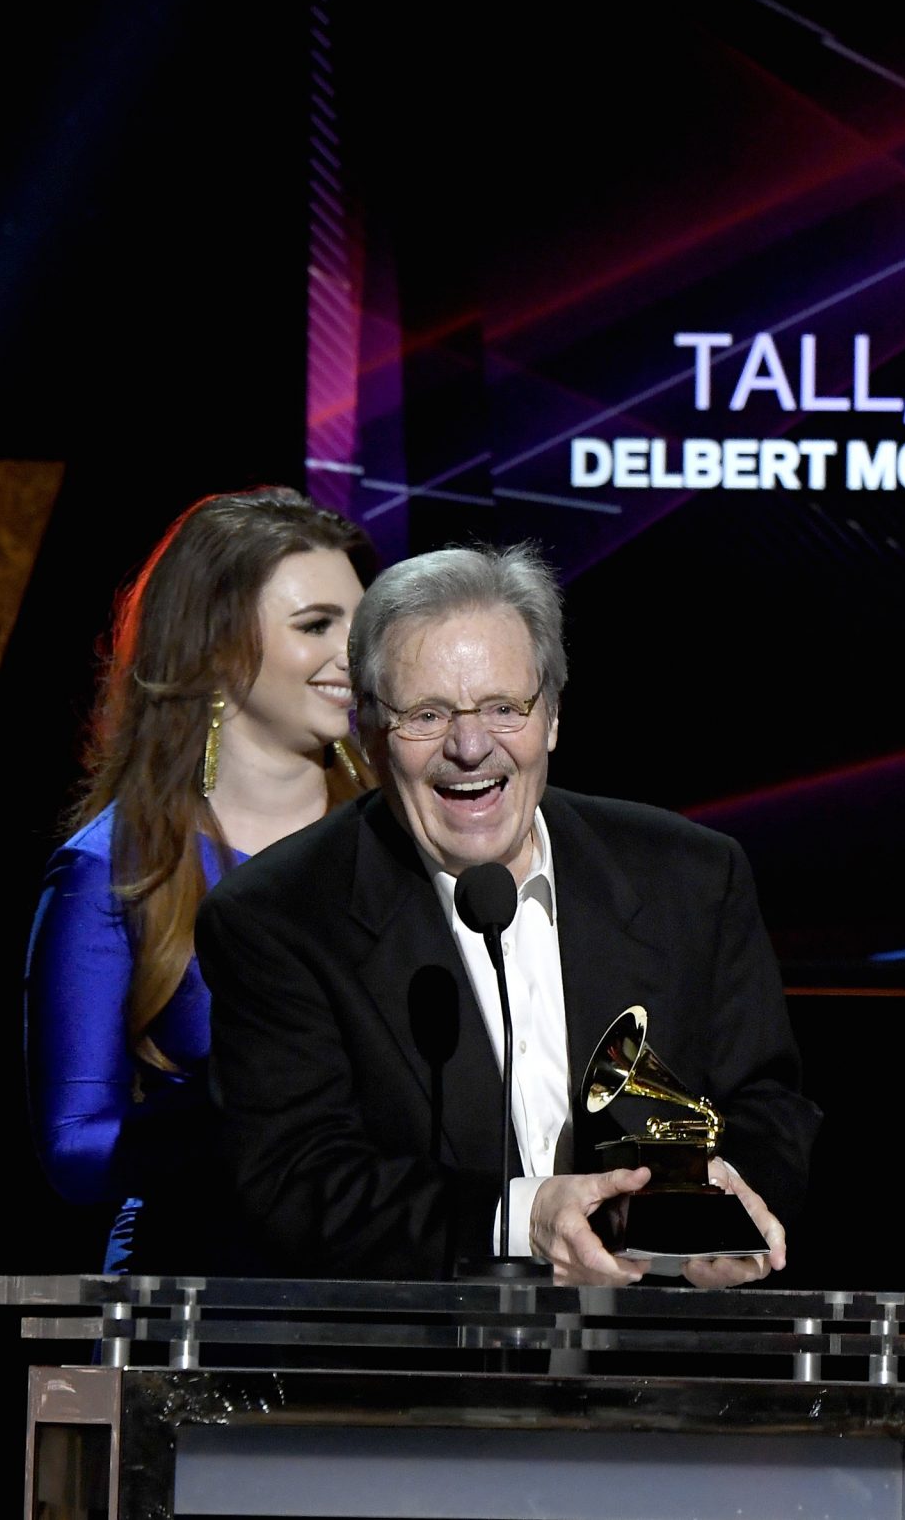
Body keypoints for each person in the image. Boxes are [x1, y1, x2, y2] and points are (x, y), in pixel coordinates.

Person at [195, 542, 818, 1285]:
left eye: (503, 708)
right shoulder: (277, 918)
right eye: (426, 714)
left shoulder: (693, 877)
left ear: (550, 716)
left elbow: (767, 1104)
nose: (470, 747)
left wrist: (728, 1200)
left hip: (660, 1338)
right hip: (424, 1353)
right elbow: (298, 1179)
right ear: (368, 733)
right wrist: (525, 1218)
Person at [23, 487, 372, 1272]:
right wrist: (242, 1111)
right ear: (215, 645)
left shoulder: (404, 837)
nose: (355, 652)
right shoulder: (115, 869)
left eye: (361, 622)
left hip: (387, 1289)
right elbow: (74, 1147)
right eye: (317, 624)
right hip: (195, 1297)